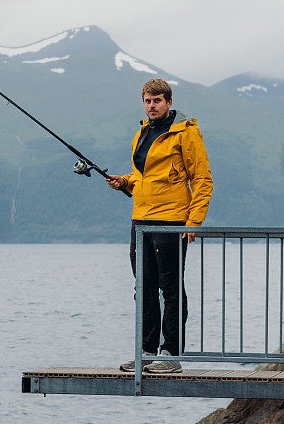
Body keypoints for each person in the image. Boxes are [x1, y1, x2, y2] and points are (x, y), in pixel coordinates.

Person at [106, 78, 213, 374]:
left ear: (168, 102)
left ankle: (171, 353)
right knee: (144, 288)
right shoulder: (142, 132)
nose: (152, 106)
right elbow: (145, 175)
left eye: (157, 101)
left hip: (171, 222)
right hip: (140, 222)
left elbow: (202, 179)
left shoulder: (186, 133)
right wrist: (125, 182)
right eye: (147, 101)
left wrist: (194, 221)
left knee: (171, 289)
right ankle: (146, 351)